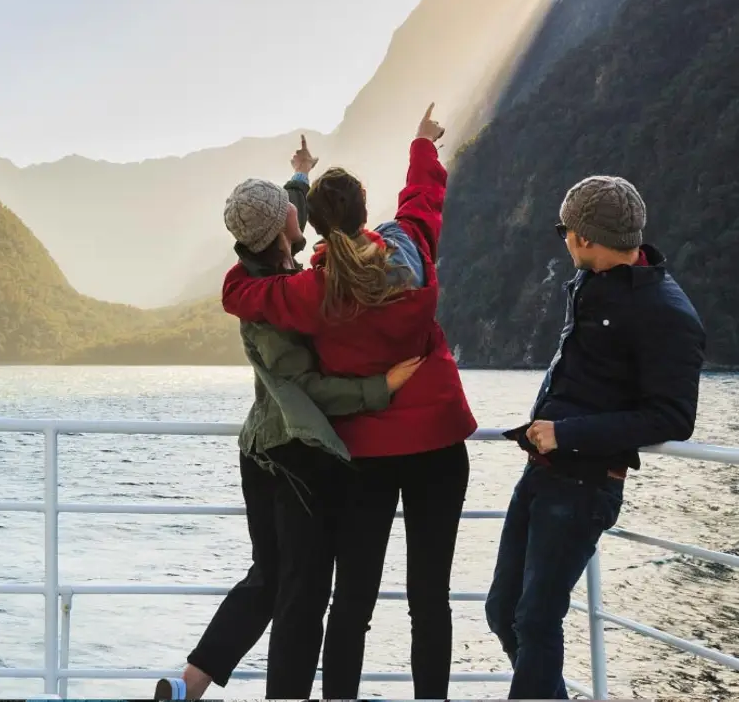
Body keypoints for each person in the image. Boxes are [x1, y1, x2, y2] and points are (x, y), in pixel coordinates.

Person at [221, 105, 478, 700]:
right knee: (429, 600)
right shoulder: (409, 248)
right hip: (439, 442)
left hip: (368, 452)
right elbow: (421, 202)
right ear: (367, 210)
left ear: (313, 226)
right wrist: (421, 144)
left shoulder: (313, 290)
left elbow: (241, 291)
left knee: (353, 602)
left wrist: (291, 206)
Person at [156, 136, 422, 701]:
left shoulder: (265, 261)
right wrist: (380, 387)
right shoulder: (271, 299)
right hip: (292, 456)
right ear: (281, 233)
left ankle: (187, 686)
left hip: (260, 447)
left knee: (270, 577)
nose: (299, 218)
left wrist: (300, 175)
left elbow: (286, 213)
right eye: (290, 215)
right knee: (302, 594)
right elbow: (308, 389)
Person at [485, 175, 705, 699]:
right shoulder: (589, 281)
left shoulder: (669, 314)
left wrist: (567, 433)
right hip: (541, 471)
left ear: (584, 237)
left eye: (565, 230)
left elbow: (674, 417)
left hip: (585, 485)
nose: (562, 239)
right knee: (503, 611)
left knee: (537, 619)